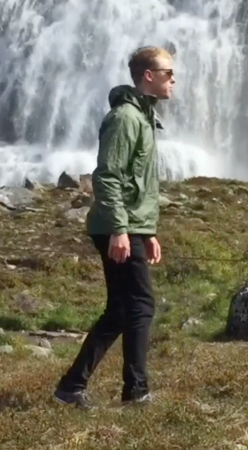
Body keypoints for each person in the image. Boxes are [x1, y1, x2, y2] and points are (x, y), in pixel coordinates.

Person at [52, 46, 176, 409]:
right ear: (148, 76)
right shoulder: (125, 118)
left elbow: (137, 182)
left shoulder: (144, 117)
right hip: (116, 225)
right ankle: (136, 391)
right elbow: (106, 176)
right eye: (169, 73)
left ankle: (71, 388)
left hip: (129, 224)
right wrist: (121, 230)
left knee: (123, 309)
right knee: (140, 304)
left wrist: (147, 231)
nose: (174, 80)